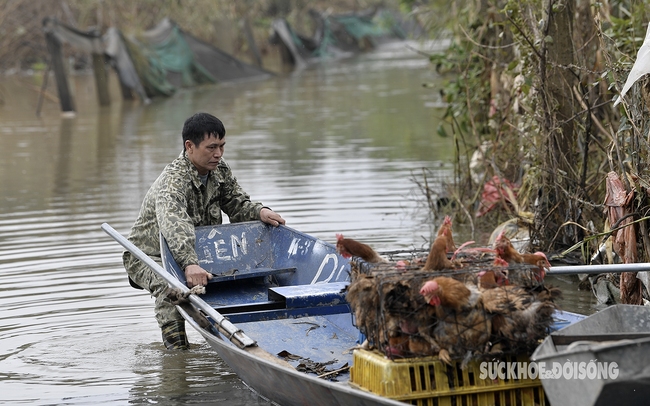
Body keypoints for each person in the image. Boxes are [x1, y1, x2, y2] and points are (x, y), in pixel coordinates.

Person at [122, 112, 285, 349]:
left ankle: (234, 340)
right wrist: (189, 263)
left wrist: (260, 212)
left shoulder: (219, 169)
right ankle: (176, 355)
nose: (218, 154)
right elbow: (174, 225)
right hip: (150, 255)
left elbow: (236, 203)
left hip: (195, 251)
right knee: (172, 289)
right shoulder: (173, 181)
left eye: (221, 146)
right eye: (211, 148)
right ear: (190, 146)